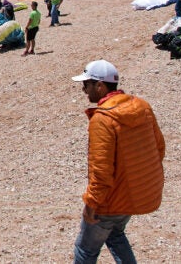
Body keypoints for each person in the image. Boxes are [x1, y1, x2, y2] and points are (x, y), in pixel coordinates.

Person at [71, 60, 165, 264]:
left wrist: (91, 203)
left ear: (100, 86)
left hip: (110, 201)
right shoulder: (142, 106)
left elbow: (101, 170)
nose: (83, 90)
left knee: (85, 250)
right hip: (135, 195)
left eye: (86, 84)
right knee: (114, 235)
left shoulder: (102, 119)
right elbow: (159, 148)